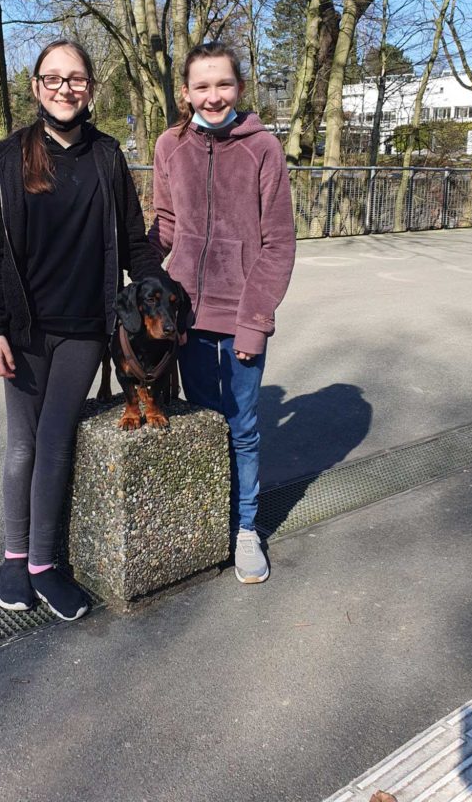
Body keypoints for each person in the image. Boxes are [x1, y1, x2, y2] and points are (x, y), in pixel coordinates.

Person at [0, 39, 160, 620]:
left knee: (56, 442)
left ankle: (42, 564)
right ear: (35, 87)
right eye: (52, 78)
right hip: (24, 331)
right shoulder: (10, 159)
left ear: (90, 88)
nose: (64, 88)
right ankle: (13, 556)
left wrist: (156, 288)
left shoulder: (107, 156)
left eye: (75, 78)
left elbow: (133, 238)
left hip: (84, 329)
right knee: (23, 445)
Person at [149, 42, 296, 584]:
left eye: (223, 84)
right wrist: (137, 273)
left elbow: (278, 243)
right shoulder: (169, 145)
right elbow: (166, 224)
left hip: (240, 318)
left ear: (240, 88)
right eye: (202, 86)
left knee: (242, 427)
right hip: (185, 319)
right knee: (204, 424)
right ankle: (209, 521)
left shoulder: (264, 149)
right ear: (185, 92)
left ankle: (246, 529)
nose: (213, 96)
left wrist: (255, 322)